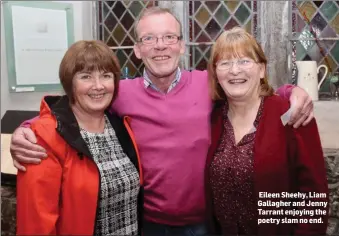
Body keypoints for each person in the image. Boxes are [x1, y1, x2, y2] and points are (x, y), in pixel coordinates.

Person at [11, 7, 314, 236]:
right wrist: (27, 130)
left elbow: (248, 86)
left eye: (169, 37)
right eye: (149, 39)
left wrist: (293, 91)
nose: (160, 45)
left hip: (206, 223)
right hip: (147, 224)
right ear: (137, 50)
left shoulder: (208, 84)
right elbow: (73, 105)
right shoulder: (118, 93)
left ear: (182, 45)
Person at [205, 27, 329, 235]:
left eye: (244, 61)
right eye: (225, 63)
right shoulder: (211, 118)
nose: (235, 71)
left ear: (262, 69)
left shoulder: (291, 114)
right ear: (216, 74)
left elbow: (312, 197)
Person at [16, 40, 143, 236]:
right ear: (69, 83)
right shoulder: (44, 137)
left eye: (106, 76)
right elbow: (36, 225)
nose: (98, 86)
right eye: (86, 77)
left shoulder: (120, 127)